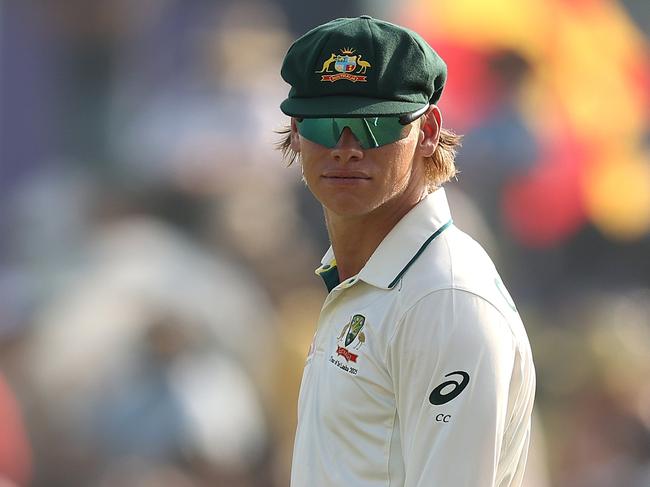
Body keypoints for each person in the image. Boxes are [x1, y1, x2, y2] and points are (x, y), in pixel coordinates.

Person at [277, 15, 536, 487]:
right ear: (296, 129)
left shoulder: (444, 299)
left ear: (429, 130)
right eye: (323, 123)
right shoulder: (368, 277)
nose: (346, 147)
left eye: (374, 125)